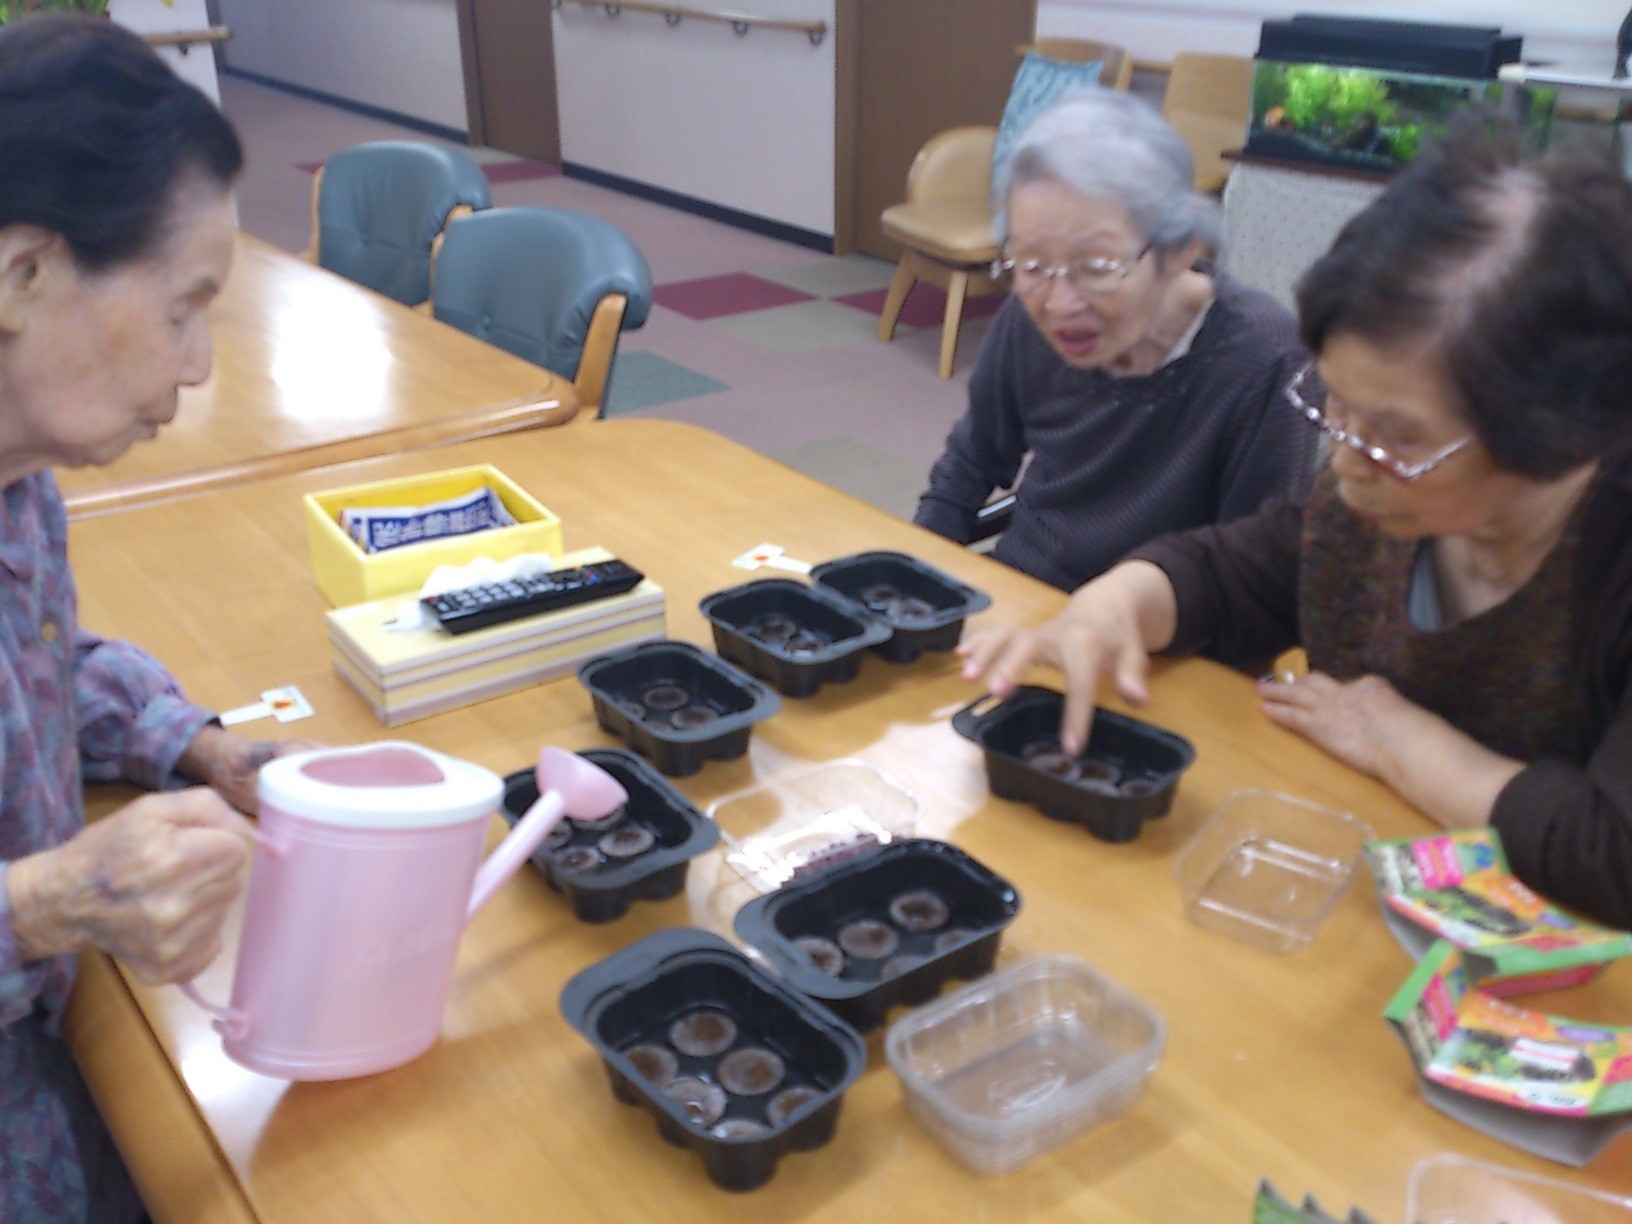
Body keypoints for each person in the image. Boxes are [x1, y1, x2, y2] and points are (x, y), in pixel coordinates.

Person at [961, 121, 1632, 931]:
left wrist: (1403, 744)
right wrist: (1116, 603)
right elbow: (1242, 567)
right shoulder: (1378, 490)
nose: (1346, 459)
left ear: (1560, 434)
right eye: (1333, 402)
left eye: (1395, 434)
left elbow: (1614, 856)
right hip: (1367, 893)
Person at [0, 17, 306, 1219]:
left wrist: (197, 742)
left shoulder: (21, 492)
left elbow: (46, 667)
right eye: (186, 307)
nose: (195, 367)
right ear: (23, 273)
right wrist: (46, 902)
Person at [913, 88, 1317, 593]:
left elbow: (1256, 570)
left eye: (1097, 268)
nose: (1059, 304)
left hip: (1168, 637)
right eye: (1031, 265)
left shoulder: (1266, 358)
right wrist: (914, 574)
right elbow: (970, 462)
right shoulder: (1026, 317)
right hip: (1025, 594)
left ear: (1179, 249)